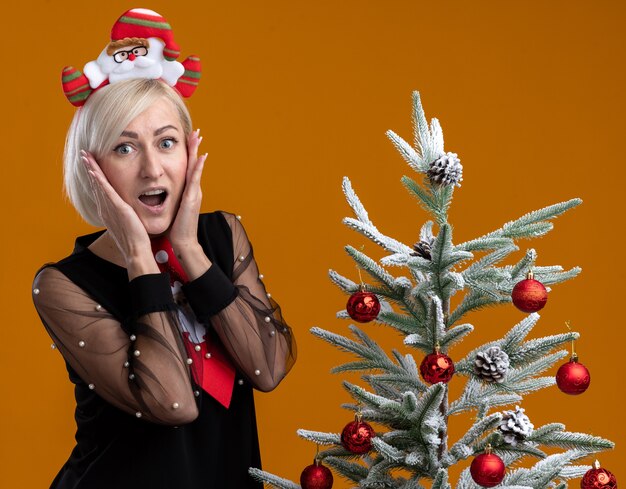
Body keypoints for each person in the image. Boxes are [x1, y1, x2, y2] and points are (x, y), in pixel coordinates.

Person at [33, 13, 295, 488]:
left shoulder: (222, 236)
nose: (153, 169)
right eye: (125, 148)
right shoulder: (62, 284)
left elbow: (269, 366)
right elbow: (173, 403)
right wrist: (139, 259)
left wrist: (189, 252)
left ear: (190, 152)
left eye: (167, 142)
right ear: (93, 167)